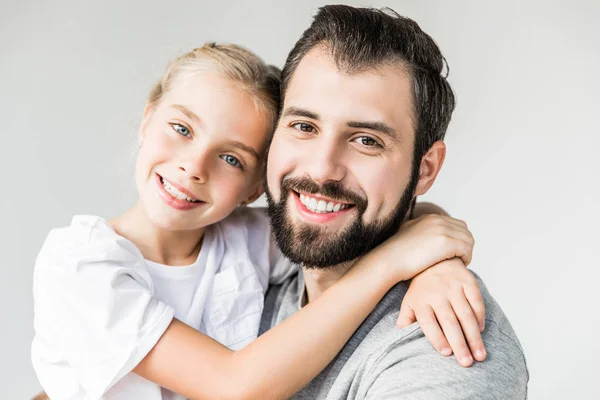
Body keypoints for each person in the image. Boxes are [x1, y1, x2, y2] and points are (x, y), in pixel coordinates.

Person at [31, 43, 480, 400]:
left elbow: (359, 218)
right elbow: (234, 386)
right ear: (148, 119)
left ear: (256, 185)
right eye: (182, 129)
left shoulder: (246, 239)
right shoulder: (81, 264)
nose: (193, 167)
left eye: (231, 157)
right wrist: (396, 264)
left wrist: (436, 265)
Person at [260, 5, 529, 399]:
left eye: (366, 140)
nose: (321, 171)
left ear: (425, 169)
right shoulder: (250, 264)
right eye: (304, 126)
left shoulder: (444, 349)